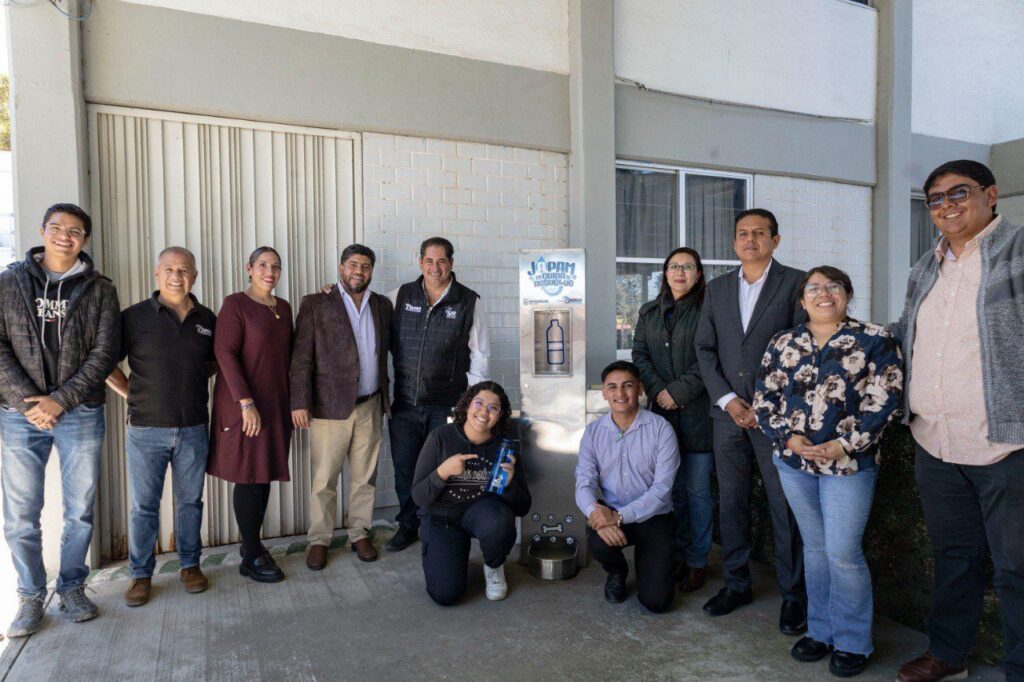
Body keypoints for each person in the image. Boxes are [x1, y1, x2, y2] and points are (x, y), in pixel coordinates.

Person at [890, 160, 1024, 682]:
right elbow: (908, 332)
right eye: (935, 199)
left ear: (991, 195)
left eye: (958, 193)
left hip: (1005, 444)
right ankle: (948, 654)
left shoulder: (1017, 252)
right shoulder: (927, 266)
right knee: (953, 556)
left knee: (1017, 568)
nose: (946, 206)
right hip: (936, 441)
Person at [753, 266, 903, 678]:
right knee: (816, 550)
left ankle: (852, 641)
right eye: (814, 288)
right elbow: (764, 398)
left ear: (847, 294)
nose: (824, 294)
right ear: (802, 299)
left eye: (833, 286)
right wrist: (788, 438)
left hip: (849, 465)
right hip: (795, 463)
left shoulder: (875, 339)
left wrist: (844, 444)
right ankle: (820, 631)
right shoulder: (783, 341)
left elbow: (885, 400)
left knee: (843, 553)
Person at [0, 203, 120, 636]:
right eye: (57, 228)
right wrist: (29, 403)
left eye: (74, 231)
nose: (64, 236)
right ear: (42, 231)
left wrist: (61, 401)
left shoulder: (100, 290)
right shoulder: (9, 282)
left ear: (85, 239)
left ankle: (71, 588)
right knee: (21, 513)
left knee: (80, 511)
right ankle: (31, 597)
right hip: (19, 415)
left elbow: (105, 353)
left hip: (80, 411)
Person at [694, 207, 808, 634]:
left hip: (775, 421)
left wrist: (768, 406)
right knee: (732, 501)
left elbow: (803, 351)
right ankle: (736, 583)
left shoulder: (796, 283)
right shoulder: (718, 288)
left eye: (760, 233)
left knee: (784, 505)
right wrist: (728, 401)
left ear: (775, 240)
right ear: (734, 242)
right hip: (727, 416)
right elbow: (705, 349)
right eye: (743, 233)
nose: (750, 239)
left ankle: (794, 595)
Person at [107, 247, 217, 606]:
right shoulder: (134, 317)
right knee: (144, 506)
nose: (176, 276)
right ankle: (140, 575)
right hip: (146, 430)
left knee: (190, 502)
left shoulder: (207, 319)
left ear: (194, 276)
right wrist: (132, 393)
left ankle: (190, 565)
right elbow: (105, 362)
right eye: (169, 269)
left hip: (193, 428)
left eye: (184, 270)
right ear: (157, 273)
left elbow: (213, 364)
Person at [290, 244, 393, 569]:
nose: (358, 271)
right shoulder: (316, 303)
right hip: (328, 407)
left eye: (365, 266)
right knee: (324, 480)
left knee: (365, 478)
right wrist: (299, 401)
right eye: (352, 265)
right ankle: (319, 539)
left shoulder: (382, 305)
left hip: (370, 405)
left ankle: (359, 533)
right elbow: (301, 358)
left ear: (371, 271)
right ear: (341, 267)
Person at [386, 236, 490, 553]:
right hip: (405, 404)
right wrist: (333, 293)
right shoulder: (399, 296)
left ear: (451, 264)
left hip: (447, 405)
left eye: (442, 261)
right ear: (420, 263)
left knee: (442, 468)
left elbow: (480, 355)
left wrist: (472, 405)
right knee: (405, 468)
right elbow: (364, 315)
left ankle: (439, 524)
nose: (435, 268)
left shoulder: (469, 301)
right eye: (429, 261)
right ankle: (408, 526)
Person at [207, 246, 293, 583]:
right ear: (249, 268)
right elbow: (225, 353)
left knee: (263, 473)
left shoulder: (283, 308)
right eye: (262, 265)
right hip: (245, 406)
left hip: (275, 404)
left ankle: (251, 545)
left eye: (275, 266)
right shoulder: (235, 304)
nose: (269, 272)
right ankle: (252, 554)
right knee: (248, 476)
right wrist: (245, 403)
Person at [632, 247, 714, 593]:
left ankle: (697, 560)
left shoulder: (709, 311)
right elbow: (639, 355)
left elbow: (710, 359)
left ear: (698, 274)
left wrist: (677, 393)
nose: (680, 272)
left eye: (688, 267)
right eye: (674, 266)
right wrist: (658, 391)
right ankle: (677, 553)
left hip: (698, 418)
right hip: (662, 417)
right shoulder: (649, 312)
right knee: (671, 490)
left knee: (697, 492)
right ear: (665, 273)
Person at [411, 381, 530, 605]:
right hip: (441, 517)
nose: (484, 412)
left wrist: (509, 484)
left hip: (482, 514)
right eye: (479, 403)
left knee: (499, 521)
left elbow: (523, 507)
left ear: (500, 415)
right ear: (467, 405)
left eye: (493, 408)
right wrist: (443, 472)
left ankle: (493, 564)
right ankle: (451, 550)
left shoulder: (504, 448)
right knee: (445, 595)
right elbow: (418, 496)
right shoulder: (440, 437)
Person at [575, 361, 680, 614]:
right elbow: (584, 480)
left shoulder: (661, 429)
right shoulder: (593, 432)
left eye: (627, 386)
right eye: (612, 387)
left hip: (654, 517)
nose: (620, 393)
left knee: (657, 602)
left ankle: (657, 562)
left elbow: (662, 490)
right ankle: (617, 571)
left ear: (640, 389)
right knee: (598, 541)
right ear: (604, 392)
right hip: (614, 512)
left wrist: (618, 517)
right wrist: (596, 514)